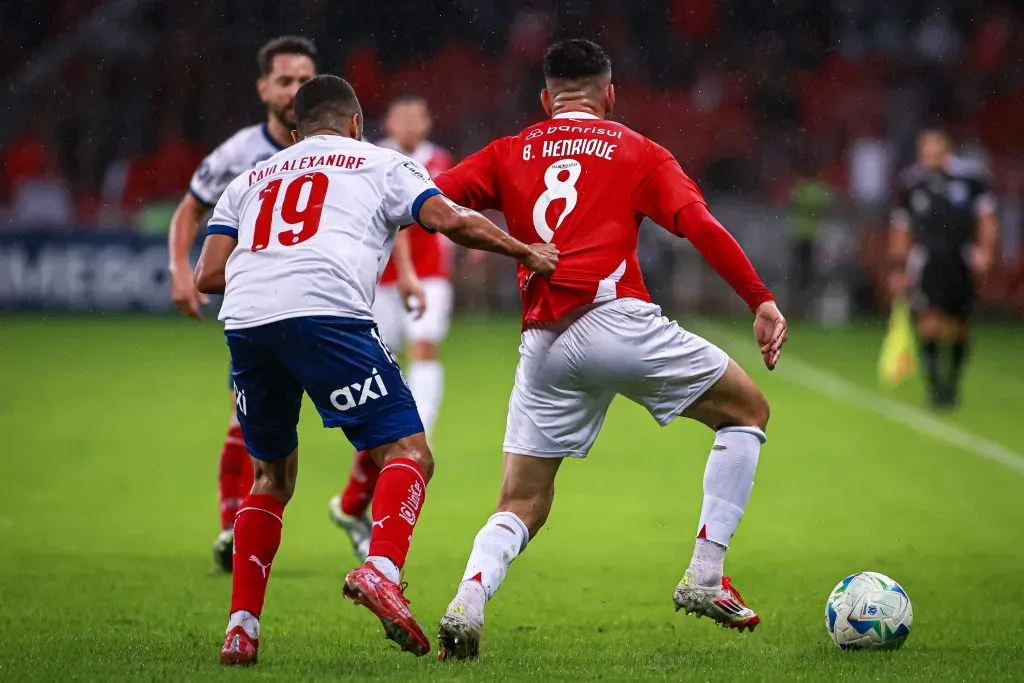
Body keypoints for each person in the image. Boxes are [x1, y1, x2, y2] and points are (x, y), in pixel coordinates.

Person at [430, 39, 788, 660]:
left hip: (541, 343)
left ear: (545, 100)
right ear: (610, 94)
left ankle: (469, 596)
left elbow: (432, 205)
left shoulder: (508, 150)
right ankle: (705, 573)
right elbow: (699, 223)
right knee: (747, 412)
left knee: (521, 500)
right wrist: (758, 298)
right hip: (614, 318)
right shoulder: (637, 149)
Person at [193, 74, 558, 665]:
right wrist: (525, 251)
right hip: (327, 316)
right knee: (410, 453)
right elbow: (449, 219)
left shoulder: (251, 179)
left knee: (271, 479)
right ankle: (382, 569)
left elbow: (210, 273)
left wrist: (275, 265)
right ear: (357, 123)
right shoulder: (379, 162)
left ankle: (241, 629)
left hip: (248, 323)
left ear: (294, 131)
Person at [167, 37, 423, 572]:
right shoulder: (241, 155)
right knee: (267, 435)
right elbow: (189, 210)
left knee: (285, 446)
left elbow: (381, 214)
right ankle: (231, 528)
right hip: (314, 309)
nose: (294, 88)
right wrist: (180, 273)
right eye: (285, 79)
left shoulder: (339, 155)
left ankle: (251, 594)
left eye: (304, 77)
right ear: (264, 88)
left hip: (269, 312)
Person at [328, 94, 455, 562]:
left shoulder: (440, 159)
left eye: (415, 115)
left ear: (426, 120)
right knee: (382, 370)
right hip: (377, 280)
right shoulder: (371, 158)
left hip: (430, 279)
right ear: (386, 121)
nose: (408, 123)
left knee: (424, 350)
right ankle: (389, 448)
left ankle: (422, 426)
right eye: (400, 115)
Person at [889, 129, 998, 408]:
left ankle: (953, 382)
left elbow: (986, 218)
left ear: (947, 149)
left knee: (960, 325)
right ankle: (935, 386)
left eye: (934, 150)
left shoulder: (971, 180)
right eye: (925, 151)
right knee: (929, 321)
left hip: (960, 257)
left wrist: (985, 251)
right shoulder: (912, 184)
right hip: (926, 259)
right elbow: (902, 228)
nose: (929, 156)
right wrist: (898, 268)